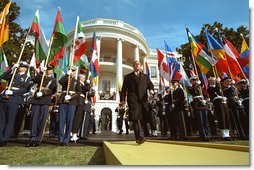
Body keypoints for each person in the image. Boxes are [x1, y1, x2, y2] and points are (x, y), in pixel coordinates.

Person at [120, 60, 154, 144]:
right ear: (133, 66)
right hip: (133, 99)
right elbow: (123, 89)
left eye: (138, 64)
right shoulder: (128, 77)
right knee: (135, 117)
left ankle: (140, 136)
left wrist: (152, 90)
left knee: (141, 117)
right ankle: (140, 136)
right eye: (135, 64)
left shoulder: (145, 77)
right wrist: (122, 100)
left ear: (141, 66)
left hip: (143, 99)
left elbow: (150, 84)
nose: (137, 65)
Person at [0, 61, 31, 146]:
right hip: (4, 98)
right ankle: (0, 136)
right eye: (19, 66)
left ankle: (5, 138)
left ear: (25, 68)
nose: (19, 67)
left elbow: (26, 89)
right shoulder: (13, 74)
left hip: (14, 99)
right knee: (1, 119)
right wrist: (11, 69)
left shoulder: (27, 78)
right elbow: (2, 76)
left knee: (10, 119)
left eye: (20, 66)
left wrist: (13, 92)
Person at [26, 64, 57, 147]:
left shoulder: (53, 80)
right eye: (47, 69)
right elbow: (34, 80)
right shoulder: (41, 76)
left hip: (45, 100)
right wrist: (40, 72)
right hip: (36, 100)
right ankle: (32, 138)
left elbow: (53, 90)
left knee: (42, 120)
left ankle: (38, 139)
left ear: (52, 70)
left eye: (49, 69)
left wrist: (43, 93)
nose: (48, 70)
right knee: (34, 119)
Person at [58, 66, 81, 146]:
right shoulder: (65, 79)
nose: (72, 72)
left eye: (73, 71)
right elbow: (60, 82)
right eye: (70, 70)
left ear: (75, 72)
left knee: (69, 121)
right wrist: (67, 75)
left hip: (72, 102)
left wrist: (71, 97)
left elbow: (78, 92)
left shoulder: (76, 81)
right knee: (61, 121)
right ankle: (60, 139)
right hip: (63, 100)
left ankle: (66, 140)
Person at [189, 76, 210, 142]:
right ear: (191, 81)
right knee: (200, 122)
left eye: (196, 80)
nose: (195, 81)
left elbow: (206, 95)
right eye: (193, 80)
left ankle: (207, 135)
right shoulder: (191, 88)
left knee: (205, 121)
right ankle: (203, 136)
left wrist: (205, 100)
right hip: (197, 105)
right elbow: (192, 92)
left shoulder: (201, 87)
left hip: (204, 105)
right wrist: (198, 85)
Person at [71, 74, 91, 142]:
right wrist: (88, 83)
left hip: (81, 102)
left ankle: (74, 134)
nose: (84, 79)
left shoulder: (81, 83)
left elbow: (88, 90)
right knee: (77, 118)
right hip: (79, 101)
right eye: (84, 78)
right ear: (80, 78)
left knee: (78, 118)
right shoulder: (79, 83)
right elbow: (87, 89)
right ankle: (73, 134)